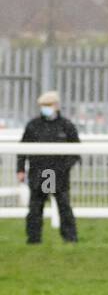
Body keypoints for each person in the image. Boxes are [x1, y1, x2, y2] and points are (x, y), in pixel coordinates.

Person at [16, 90, 80, 244]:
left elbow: (76, 151)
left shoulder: (66, 126)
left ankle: (70, 238)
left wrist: (65, 168)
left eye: (48, 105)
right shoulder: (33, 126)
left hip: (59, 174)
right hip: (39, 173)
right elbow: (23, 149)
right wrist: (20, 169)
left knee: (64, 207)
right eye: (43, 105)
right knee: (35, 208)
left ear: (56, 105)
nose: (45, 108)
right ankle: (33, 239)